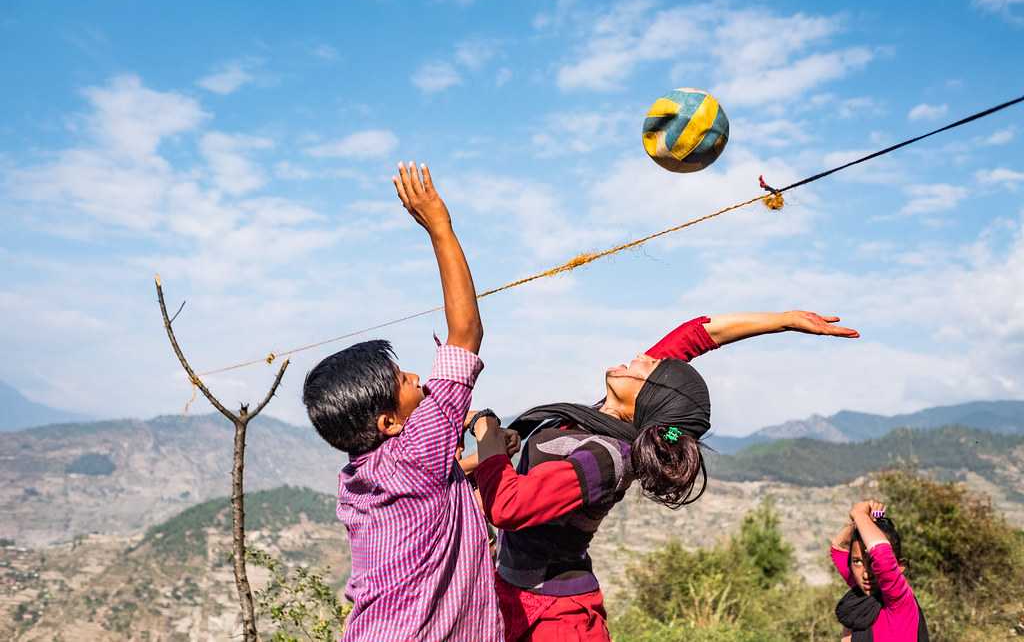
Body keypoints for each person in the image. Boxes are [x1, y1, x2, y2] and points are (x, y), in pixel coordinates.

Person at [469, 312, 860, 641]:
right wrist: (784, 321)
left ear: (651, 397)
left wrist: (486, 429)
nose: (641, 356)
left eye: (651, 366)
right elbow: (695, 336)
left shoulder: (610, 456)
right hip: (515, 598)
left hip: (557, 619)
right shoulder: (602, 416)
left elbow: (509, 504)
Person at [301, 162, 503, 641]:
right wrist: (439, 225)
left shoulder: (359, 474)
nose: (416, 375)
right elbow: (465, 334)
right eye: (403, 380)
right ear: (390, 421)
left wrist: (484, 457)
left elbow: (432, 494)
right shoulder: (419, 452)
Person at [831, 500, 929, 641]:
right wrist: (863, 522)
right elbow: (837, 548)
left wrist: (859, 514)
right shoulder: (862, 595)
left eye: (873, 563)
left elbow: (882, 557)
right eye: (857, 562)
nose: (866, 574)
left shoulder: (899, 603)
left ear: (899, 567)